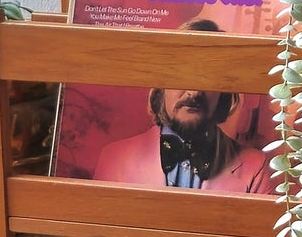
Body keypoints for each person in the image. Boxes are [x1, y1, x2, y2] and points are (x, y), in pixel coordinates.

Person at [90, 18, 273, 194]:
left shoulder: (255, 168)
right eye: (182, 75)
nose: (194, 93)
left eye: (208, 78)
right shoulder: (114, 157)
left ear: (223, 93)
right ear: (161, 88)